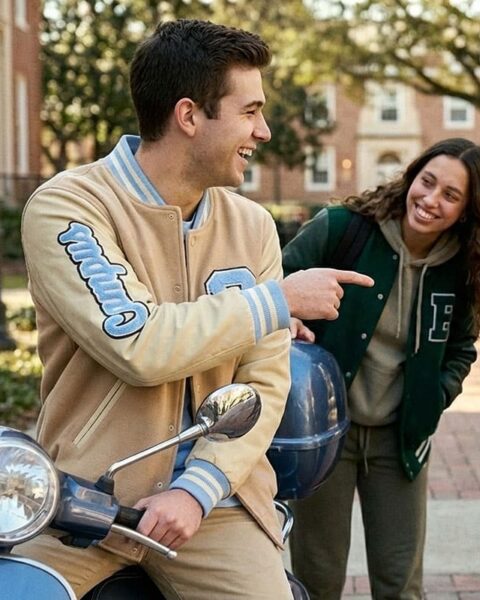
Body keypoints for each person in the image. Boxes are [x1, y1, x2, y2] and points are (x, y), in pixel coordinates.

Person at [16, 19, 372, 599]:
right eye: (250, 111)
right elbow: (140, 346)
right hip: (79, 501)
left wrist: (197, 489)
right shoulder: (69, 206)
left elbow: (265, 380)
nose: (264, 129)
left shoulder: (252, 224)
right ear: (189, 116)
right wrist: (278, 300)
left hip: (217, 506)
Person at [283, 137, 480, 599]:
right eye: (427, 182)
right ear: (411, 177)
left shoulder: (463, 265)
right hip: (326, 436)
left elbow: (462, 348)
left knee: (400, 583)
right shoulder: (343, 230)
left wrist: (434, 397)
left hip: (400, 441)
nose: (431, 200)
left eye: (451, 195)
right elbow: (272, 287)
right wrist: (292, 322)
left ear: (467, 209)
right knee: (317, 579)